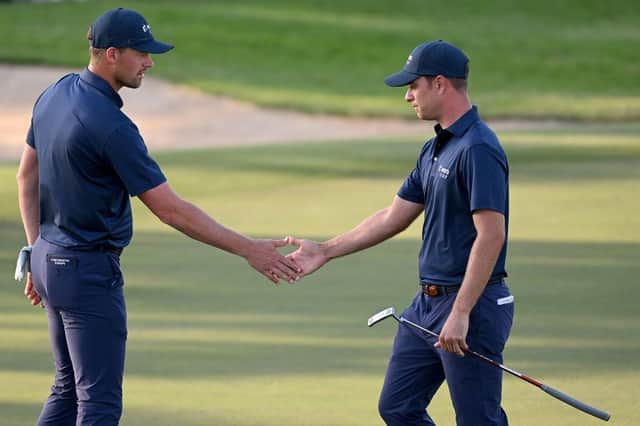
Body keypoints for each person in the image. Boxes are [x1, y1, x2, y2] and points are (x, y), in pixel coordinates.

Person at [16, 8, 300, 425]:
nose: (150, 61)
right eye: (142, 53)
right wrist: (249, 249)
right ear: (111, 54)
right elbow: (170, 209)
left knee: (68, 389)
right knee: (98, 403)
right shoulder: (112, 126)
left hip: (48, 259)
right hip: (88, 272)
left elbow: (26, 175)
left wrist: (33, 251)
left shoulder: (55, 93)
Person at [288, 40, 514, 425]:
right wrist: (325, 250)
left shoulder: (478, 148)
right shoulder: (435, 149)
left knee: (478, 420)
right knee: (397, 407)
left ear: (440, 84)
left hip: (470, 305)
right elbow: (393, 216)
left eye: (414, 85)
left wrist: (461, 312)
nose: (408, 95)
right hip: (425, 305)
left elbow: (491, 234)